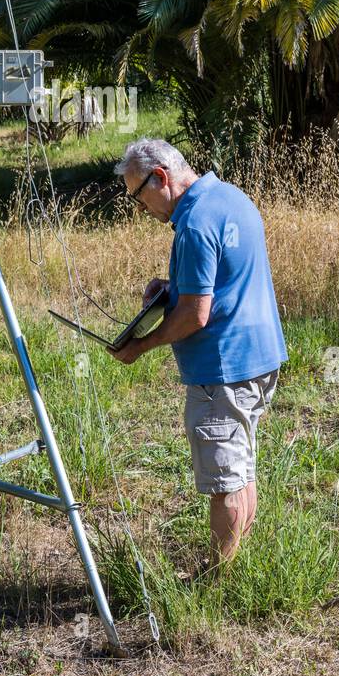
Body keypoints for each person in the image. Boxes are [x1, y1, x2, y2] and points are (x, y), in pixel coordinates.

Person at [109, 137, 287, 572]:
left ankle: (216, 582)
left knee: (224, 482)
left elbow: (196, 314)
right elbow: (221, 280)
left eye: (138, 196)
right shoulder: (230, 197)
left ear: (162, 178)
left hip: (221, 371)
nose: (141, 209)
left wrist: (142, 344)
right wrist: (171, 289)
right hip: (260, 358)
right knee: (241, 469)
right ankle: (234, 568)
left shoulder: (193, 225)